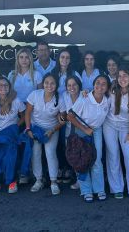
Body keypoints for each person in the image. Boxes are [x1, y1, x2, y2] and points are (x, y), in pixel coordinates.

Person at [67, 74, 111, 202]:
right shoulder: (84, 98)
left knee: (96, 159)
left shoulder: (107, 99)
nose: (100, 86)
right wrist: (85, 129)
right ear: (93, 84)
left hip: (96, 130)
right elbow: (70, 116)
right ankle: (86, 190)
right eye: (98, 83)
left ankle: (99, 189)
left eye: (104, 84)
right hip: (82, 130)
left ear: (107, 87)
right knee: (82, 161)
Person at [103, 67, 129, 199]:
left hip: (127, 127)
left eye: (125, 75)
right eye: (119, 76)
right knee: (113, 155)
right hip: (110, 125)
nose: (122, 79)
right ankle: (116, 188)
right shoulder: (112, 91)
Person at [25, 73, 65, 195]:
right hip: (36, 128)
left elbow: (63, 120)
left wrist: (52, 130)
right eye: (46, 82)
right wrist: (28, 129)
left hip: (51, 129)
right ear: (43, 83)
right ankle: (38, 180)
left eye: (52, 83)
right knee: (36, 152)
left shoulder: (60, 99)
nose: (49, 85)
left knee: (50, 152)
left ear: (56, 85)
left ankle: (53, 181)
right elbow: (27, 113)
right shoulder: (35, 95)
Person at [0, 77, 25, 195]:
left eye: (6, 85)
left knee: (11, 157)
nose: (3, 87)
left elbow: (23, 116)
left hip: (11, 132)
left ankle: (12, 182)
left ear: (9, 87)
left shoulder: (16, 101)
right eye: (0, 85)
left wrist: (15, 127)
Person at [52, 48, 82, 182]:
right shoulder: (53, 73)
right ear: (58, 59)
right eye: (62, 57)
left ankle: (70, 170)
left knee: (70, 143)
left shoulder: (74, 73)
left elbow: (80, 89)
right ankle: (61, 168)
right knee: (59, 144)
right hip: (55, 112)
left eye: (67, 58)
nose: (64, 60)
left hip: (70, 113)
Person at [59, 75, 84, 188]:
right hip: (69, 129)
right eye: (69, 85)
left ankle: (83, 180)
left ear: (79, 85)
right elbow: (63, 114)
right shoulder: (64, 95)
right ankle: (78, 178)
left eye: (74, 84)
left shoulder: (85, 95)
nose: (72, 87)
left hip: (82, 128)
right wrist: (61, 118)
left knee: (83, 154)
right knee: (72, 154)